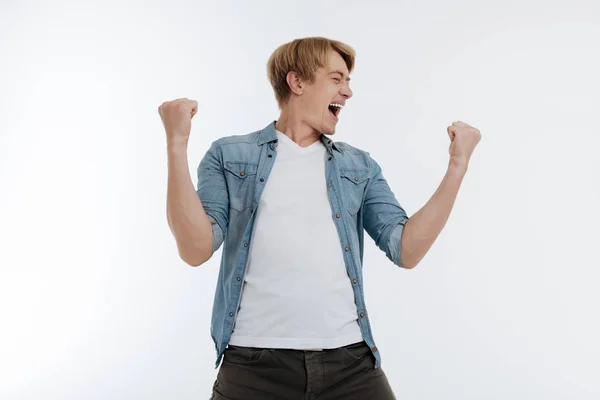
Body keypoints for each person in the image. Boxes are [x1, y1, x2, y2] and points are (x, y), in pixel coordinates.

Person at [158, 37, 481, 400]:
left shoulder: (359, 166)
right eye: (337, 79)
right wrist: (176, 143)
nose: (348, 92)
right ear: (296, 83)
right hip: (253, 367)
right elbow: (195, 249)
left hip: (351, 365)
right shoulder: (230, 156)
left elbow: (406, 249)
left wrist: (457, 166)